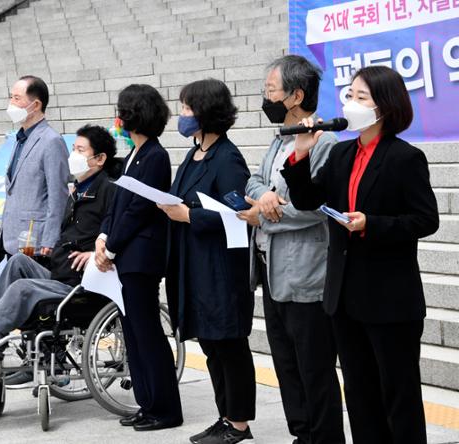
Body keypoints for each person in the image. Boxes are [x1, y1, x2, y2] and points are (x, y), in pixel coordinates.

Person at [281, 66, 439, 444]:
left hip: (389, 298)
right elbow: (306, 200)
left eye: (361, 97)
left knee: (397, 395)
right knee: (360, 393)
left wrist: (371, 224)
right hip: (345, 296)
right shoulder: (340, 154)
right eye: (350, 95)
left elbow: (424, 220)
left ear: (384, 106)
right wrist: (300, 156)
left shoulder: (405, 157)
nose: (351, 103)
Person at [0, 125, 117, 355]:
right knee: (17, 261)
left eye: (80, 150)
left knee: (23, 288)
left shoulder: (109, 191)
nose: (73, 155)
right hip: (61, 272)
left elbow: (114, 233)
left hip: (80, 284)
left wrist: (95, 254)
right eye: (73, 149)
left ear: (100, 159)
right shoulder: (77, 190)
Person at [240, 56, 345, 444]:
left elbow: (317, 207)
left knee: (314, 368)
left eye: (270, 91)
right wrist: (264, 196)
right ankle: (302, 434)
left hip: (306, 275)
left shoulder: (324, 140)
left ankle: (324, 437)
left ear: (296, 95)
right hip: (272, 272)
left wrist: (266, 215)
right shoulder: (280, 137)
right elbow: (252, 179)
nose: (265, 98)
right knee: (286, 366)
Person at [159, 79, 255, 444]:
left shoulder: (227, 157)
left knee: (229, 343)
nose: (182, 116)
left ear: (206, 111)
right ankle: (225, 416)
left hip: (219, 267)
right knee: (211, 345)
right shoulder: (194, 152)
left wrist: (189, 216)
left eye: (186, 109)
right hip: (192, 263)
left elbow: (238, 209)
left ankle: (240, 423)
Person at [95, 84, 183, 432]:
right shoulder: (135, 153)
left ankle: (166, 408)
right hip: (126, 255)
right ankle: (148, 403)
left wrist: (112, 245)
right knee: (132, 334)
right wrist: (104, 237)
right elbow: (118, 205)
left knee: (147, 334)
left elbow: (139, 210)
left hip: (140, 257)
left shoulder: (155, 156)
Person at [1, 75, 69, 257]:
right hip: (12, 238)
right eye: (11, 97)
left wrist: (50, 238)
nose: (11, 104)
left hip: (35, 241)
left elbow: (58, 195)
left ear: (36, 105)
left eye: (17, 98)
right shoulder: (20, 138)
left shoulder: (51, 141)